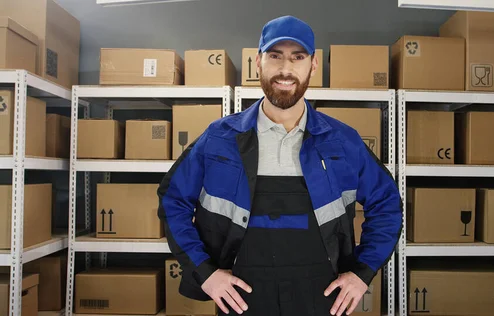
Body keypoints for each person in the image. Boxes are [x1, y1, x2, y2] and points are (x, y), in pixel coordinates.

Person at [158, 15, 402, 316]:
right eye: (275, 56)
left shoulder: (342, 141)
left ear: (312, 65)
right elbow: (173, 200)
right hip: (241, 298)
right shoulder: (219, 138)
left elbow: (387, 204)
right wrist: (205, 273)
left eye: (297, 57)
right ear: (258, 62)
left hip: (322, 297)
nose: (286, 70)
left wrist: (362, 273)